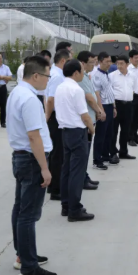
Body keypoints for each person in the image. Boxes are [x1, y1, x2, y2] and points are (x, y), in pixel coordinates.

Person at [7, 56, 57, 275]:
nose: (48, 80)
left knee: (20, 209)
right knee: (28, 215)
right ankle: (29, 267)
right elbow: (34, 136)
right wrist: (44, 168)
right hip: (31, 160)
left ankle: (23, 255)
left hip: (22, 158)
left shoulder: (17, 93)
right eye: (47, 76)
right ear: (36, 75)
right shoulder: (29, 99)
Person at [55, 59, 96, 222]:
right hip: (77, 132)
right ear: (76, 72)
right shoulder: (76, 89)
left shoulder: (59, 87)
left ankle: (66, 205)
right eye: (82, 71)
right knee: (77, 172)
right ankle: (74, 209)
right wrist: (92, 129)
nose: (83, 73)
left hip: (65, 132)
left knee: (66, 170)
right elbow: (85, 115)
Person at [45, 49, 72, 200]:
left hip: (57, 116)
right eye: (69, 60)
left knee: (57, 152)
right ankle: (56, 189)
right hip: (55, 117)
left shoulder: (58, 74)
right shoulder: (56, 76)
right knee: (57, 154)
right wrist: (47, 117)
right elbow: (50, 100)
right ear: (63, 61)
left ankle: (54, 186)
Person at [76, 51, 103, 189]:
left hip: (90, 119)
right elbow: (89, 98)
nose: (94, 65)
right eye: (91, 63)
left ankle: (84, 176)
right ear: (83, 63)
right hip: (85, 122)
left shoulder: (86, 76)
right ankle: (82, 180)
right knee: (83, 154)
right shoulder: (81, 78)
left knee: (85, 153)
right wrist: (99, 110)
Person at [92, 52, 118, 168]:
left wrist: (113, 107)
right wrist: (101, 110)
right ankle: (97, 160)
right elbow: (97, 94)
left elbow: (109, 91)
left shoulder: (107, 74)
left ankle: (105, 155)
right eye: (107, 61)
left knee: (109, 133)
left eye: (110, 61)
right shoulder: (96, 75)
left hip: (109, 106)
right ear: (100, 61)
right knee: (100, 134)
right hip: (103, 106)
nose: (109, 64)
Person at [109, 55, 137, 160]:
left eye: (122, 64)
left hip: (128, 105)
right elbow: (110, 92)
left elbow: (133, 89)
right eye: (118, 64)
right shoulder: (112, 76)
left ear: (127, 64)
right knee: (114, 130)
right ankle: (112, 153)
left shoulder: (132, 75)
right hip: (117, 105)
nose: (119, 66)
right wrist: (113, 106)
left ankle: (123, 152)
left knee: (126, 130)